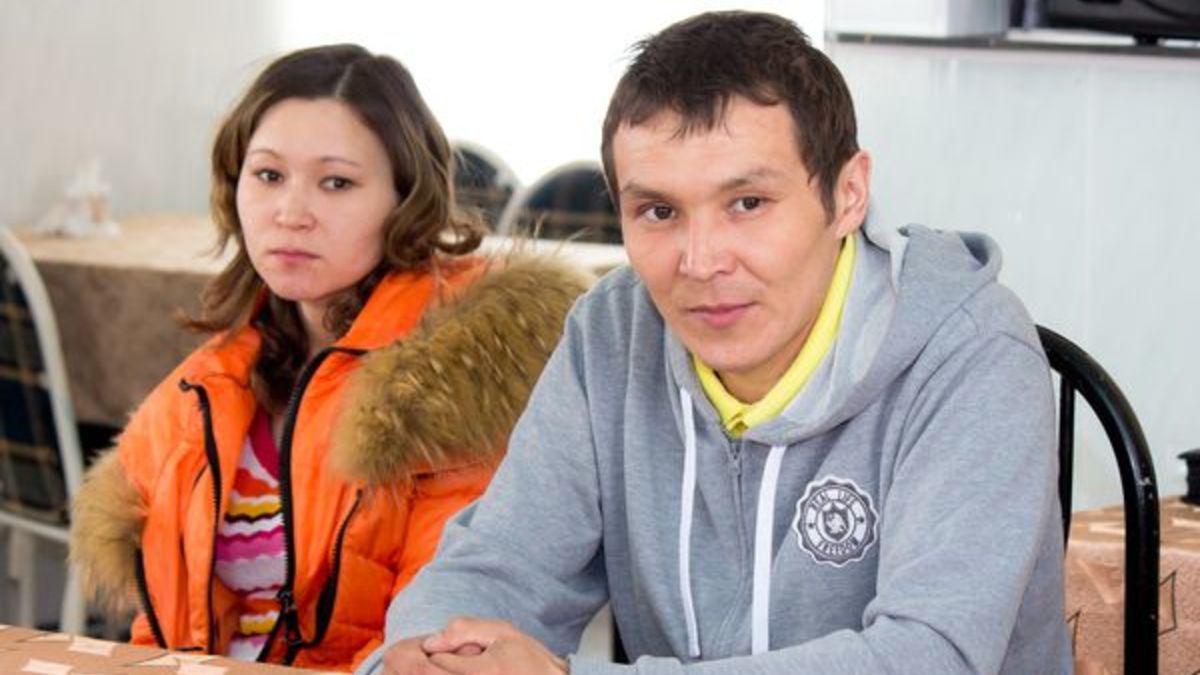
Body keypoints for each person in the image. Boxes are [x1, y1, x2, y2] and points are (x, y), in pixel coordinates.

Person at [364, 10, 1072, 675]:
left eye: (748, 203)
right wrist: (426, 655)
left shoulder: (971, 354)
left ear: (848, 194)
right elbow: (498, 566)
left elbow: (927, 657)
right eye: (658, 211)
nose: (700, 262)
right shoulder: (611, 332)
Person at [68, 44, 588, 672]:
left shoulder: (464, 380)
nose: (290, 213)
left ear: (406, 200)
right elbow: (163, 625)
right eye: (268, 175)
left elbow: (435, 641)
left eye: (336, 182)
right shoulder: (209, 384)